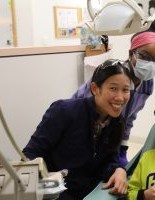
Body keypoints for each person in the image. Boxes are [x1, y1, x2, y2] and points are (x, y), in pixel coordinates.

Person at [23, 59, 132, 200]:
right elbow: (30, 155)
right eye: (113, 88)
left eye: (125, 90)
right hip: (56, 191)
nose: (120, 97)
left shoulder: (116, 122)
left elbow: (109, 160)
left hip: (90, 192)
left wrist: (119, 169)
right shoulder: (64, 111)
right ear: (95, 89)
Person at [72, 18, 155, 167]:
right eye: (145, 57)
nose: (150, 64)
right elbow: (85, 113)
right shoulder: (111, 73)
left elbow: (128, 119)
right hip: (81, 129)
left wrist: (122, 149)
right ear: (131, 54)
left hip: (109, 135)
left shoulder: (147, 84)